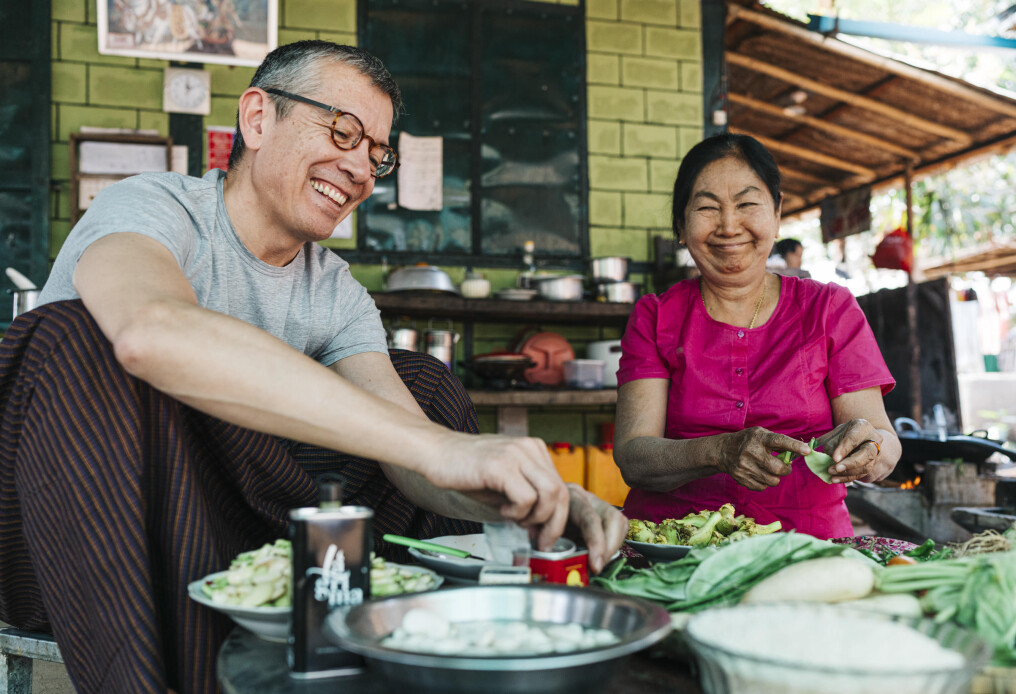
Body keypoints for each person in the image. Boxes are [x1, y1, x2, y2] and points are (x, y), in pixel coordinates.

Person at [0, 40, 625, 693]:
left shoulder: (334, 291)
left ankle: (441, 652)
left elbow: (416, 461)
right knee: (76, 339)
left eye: (375, 153)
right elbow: (148, 333)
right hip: (75, 545)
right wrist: (436, 448)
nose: (359, 167)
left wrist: (542, 498)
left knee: (424, 384)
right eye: (342, 131)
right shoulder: (154, 208)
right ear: (258, 119)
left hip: (228, 539)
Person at [613, 133, 900, 540]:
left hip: (806, 548)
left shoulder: (829, 309)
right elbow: (633, 456)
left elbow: (884, 443)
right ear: (681, 225)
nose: (729, 226)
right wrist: (717, 452)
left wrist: (869, 447)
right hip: (672, 546)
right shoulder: (655, 316)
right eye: (708, 208)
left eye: (747, 204)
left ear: (777, 213)